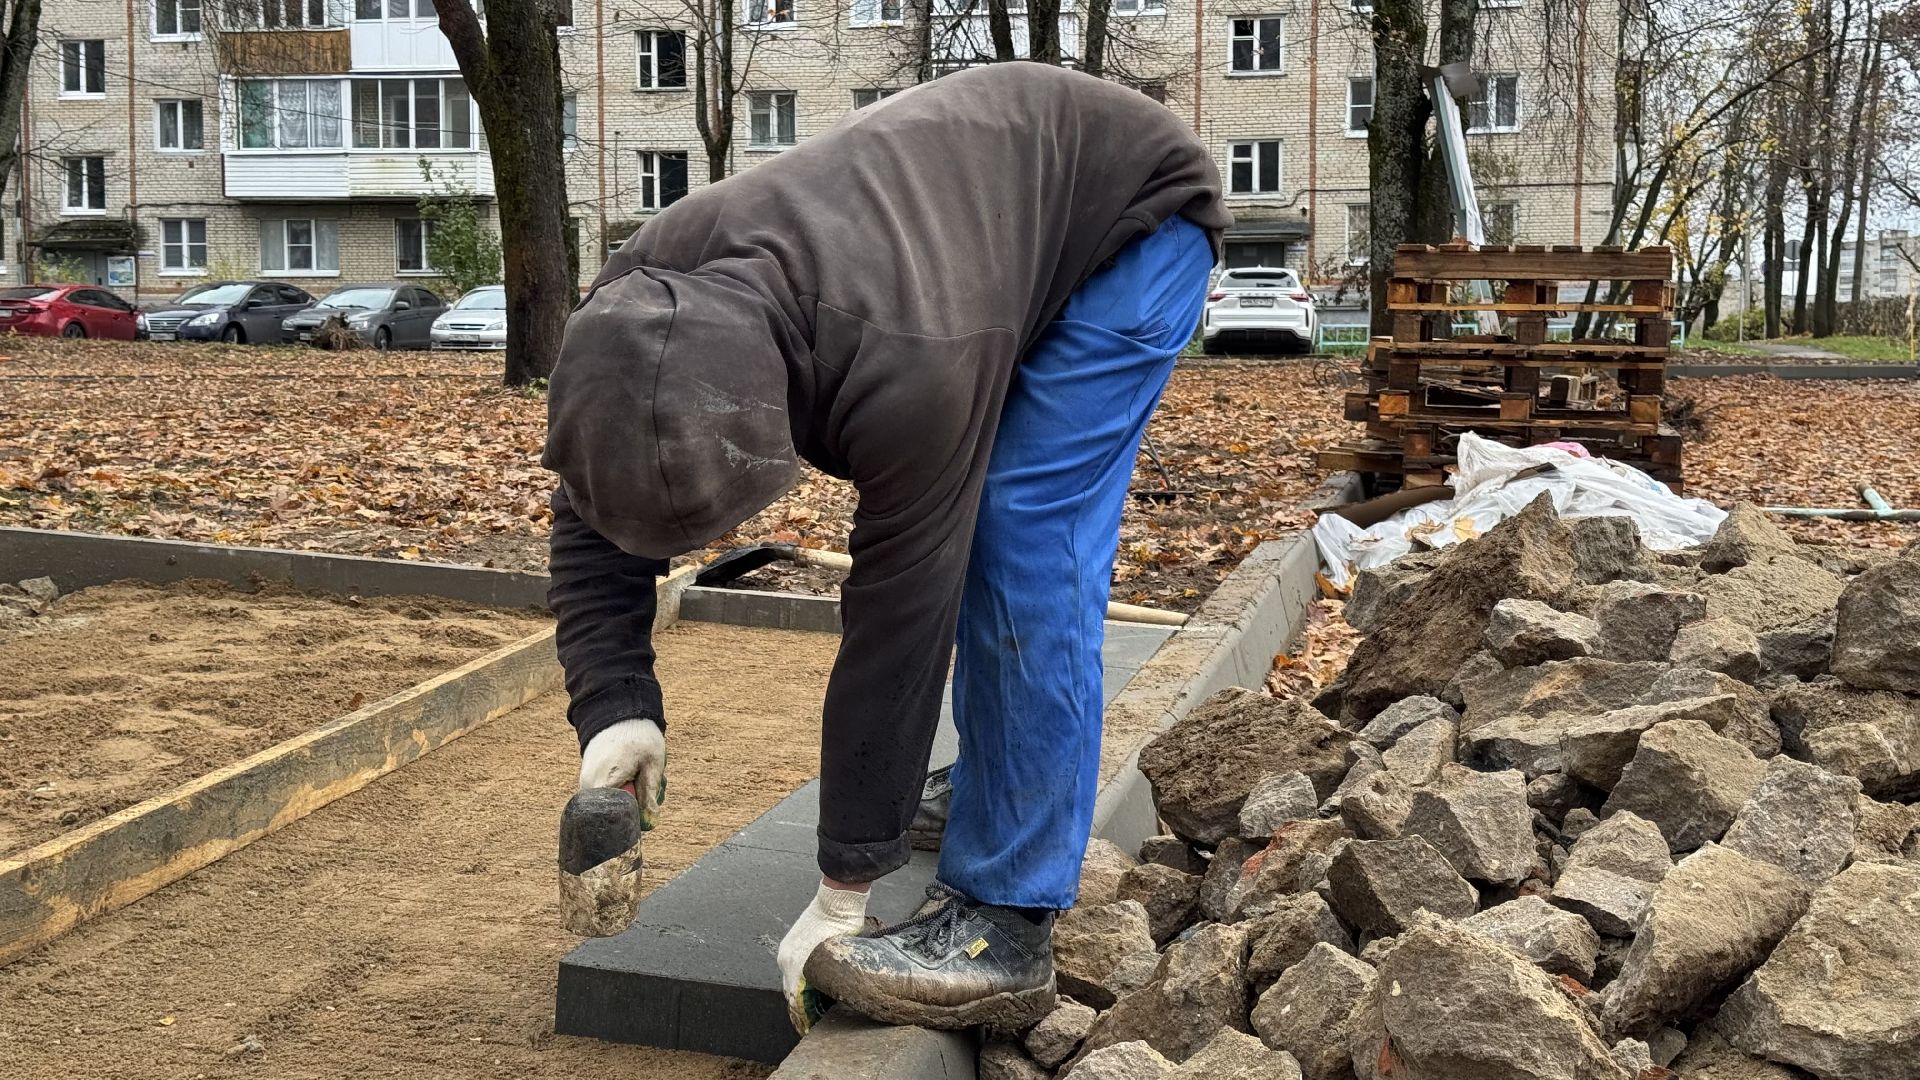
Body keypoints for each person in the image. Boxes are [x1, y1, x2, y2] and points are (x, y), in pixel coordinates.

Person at [544, 61, 1227, 1033]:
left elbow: (903, 618)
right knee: (993, 526)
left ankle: (1006, 926)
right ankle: (983, 782)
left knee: (1018, 533)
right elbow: (591, 496)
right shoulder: (625, 307)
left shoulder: (908, 368)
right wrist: (617, 711)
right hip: (978, 210)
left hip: (1128, 217)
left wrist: (842, 893)